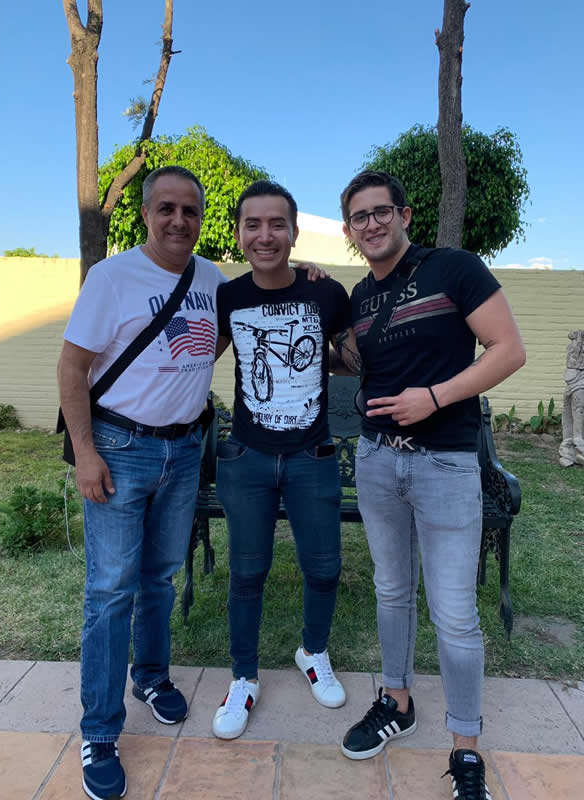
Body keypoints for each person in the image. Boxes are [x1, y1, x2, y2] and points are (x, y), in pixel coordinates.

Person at [335, 170, 526, 800]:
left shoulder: (454, 269)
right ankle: (397, 702)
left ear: (405, 214)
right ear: (349, 230)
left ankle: (465, 748)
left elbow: (508, 349)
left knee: (454, 614)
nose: (371, 224)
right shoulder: (361, 296)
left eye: (380, 211)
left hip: (444, 463)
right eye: (359, 217)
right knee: (391, 592)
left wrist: (435, 397)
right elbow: (356, 358)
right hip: (376, 461)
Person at [57, 166, 226, 800]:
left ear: (200, 217)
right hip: (119, 449)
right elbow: (72, 367)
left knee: (160, 577)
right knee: (109, 592)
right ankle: (100, 731)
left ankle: (150, 675)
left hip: (183, 451)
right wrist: (85, 452)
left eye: (190, 210)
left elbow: (220, 337)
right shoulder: (112, 277)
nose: (179, 220)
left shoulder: (211, 280)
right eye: (166, 209)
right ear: (146, 213)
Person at [211, 180, 356, 740]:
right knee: (247, 573)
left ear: (295, 233)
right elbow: (196, 358)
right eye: (253, 224)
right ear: (239, 233)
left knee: (324, 568)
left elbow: (353, 359)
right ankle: (243, 678)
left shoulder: (327, 292)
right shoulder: (227, 297)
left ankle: (313, 651)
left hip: (310, 457)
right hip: (247, 458)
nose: (265, 235)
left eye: (277, 224)